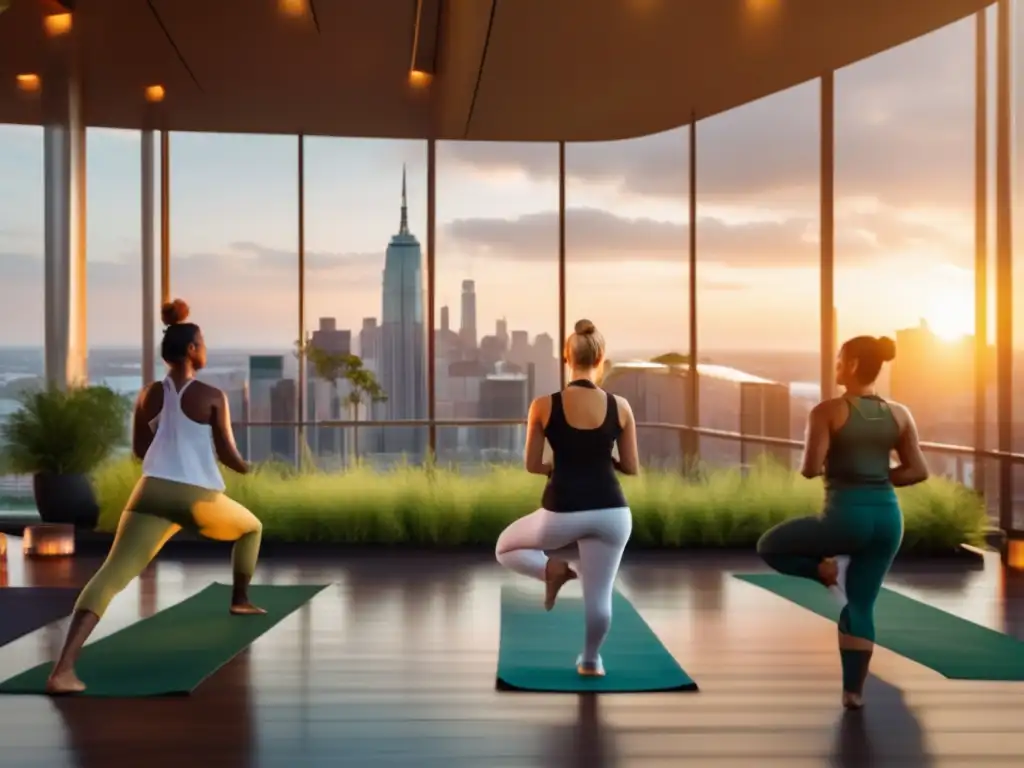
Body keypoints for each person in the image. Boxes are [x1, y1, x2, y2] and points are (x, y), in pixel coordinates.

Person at [45, 299, 266, 695]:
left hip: (149, 493)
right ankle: (240, 600)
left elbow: (139, 450)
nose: (205, 347)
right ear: (192, 350)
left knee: (110, 576)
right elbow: (229, 455)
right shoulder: (213, 395)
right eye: (203, 342)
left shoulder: (147, 395)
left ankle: (62, 670)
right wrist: (251, 467)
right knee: (251, 528)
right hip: (196, 497)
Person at [756, 335, 928, 710]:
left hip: (845, 517)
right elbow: (917, 470)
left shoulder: (827, 411)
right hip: (888, 520)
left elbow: (809, 469)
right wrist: (879, 478)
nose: (835, 365)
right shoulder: (900, 413)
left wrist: (842, 466)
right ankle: (854, 693)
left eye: (838, 359)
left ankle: (822, 571)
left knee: (770, 546)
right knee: (862, 605)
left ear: (851, 365)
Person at [495, 319, 639, 678]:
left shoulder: (543, 406)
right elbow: (632, 467)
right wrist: (604, 459)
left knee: (505, 548)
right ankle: (591, 662)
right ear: (601, 357)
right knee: (599, 596)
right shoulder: (620, 406)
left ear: (566, 357)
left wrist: (556, 468)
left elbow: (532, 464)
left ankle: (553, 570)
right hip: (612, 513)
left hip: (562, 512)